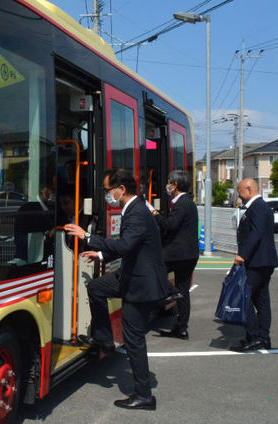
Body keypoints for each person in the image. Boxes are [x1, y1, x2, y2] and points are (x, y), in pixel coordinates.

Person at [65, 168, 169, 411]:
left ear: (120, 190)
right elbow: (130, 247)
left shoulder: (136, 213)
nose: (105, 195)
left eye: (106, 190)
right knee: (97, 287)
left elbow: (125, 245)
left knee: (134, 340)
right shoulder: (135, 209)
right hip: (131, 276)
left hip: (140, 285)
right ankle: (105, 340)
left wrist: (87, 236)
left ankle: (144, 395)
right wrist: (100, 253)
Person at [232, 178, 278, 351]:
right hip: (265, 260)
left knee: (244, 296)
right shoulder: (262, 206)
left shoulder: (257, 207)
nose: (239, 195)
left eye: (240, 191)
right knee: (261, 298)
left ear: (249, 189)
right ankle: (263, 337)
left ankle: (254, 336)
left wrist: (242, 255)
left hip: (257, 261)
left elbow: (256, 233)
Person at [152, 170, 199, 340]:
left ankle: (171, 292)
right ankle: (182, 328)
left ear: (175, 185)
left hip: (177, 253)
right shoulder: (189, 202)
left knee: (154, 270)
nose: (167, 185)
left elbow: (170, 225)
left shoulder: (181, 203)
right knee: (184, 289)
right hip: (190, 254)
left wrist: (155, 215)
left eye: (169, 182)